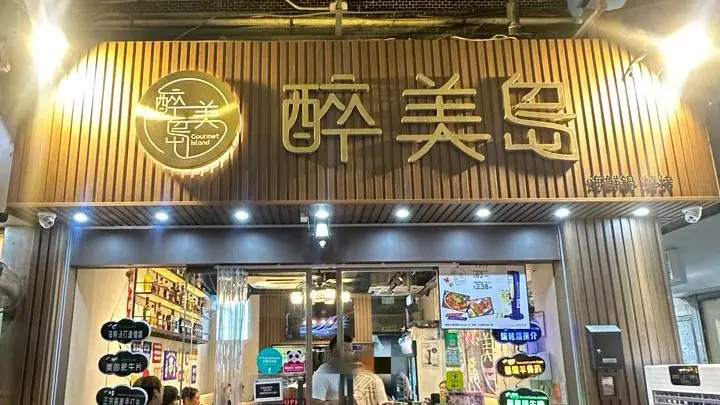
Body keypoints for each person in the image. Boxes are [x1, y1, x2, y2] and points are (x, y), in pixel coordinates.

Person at [313, 335, 388, 405]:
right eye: (346, 350)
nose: (349, 354)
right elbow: (313, 402)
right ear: (334, 351)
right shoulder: (323, 373)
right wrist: (338, 403)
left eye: (351, 351)